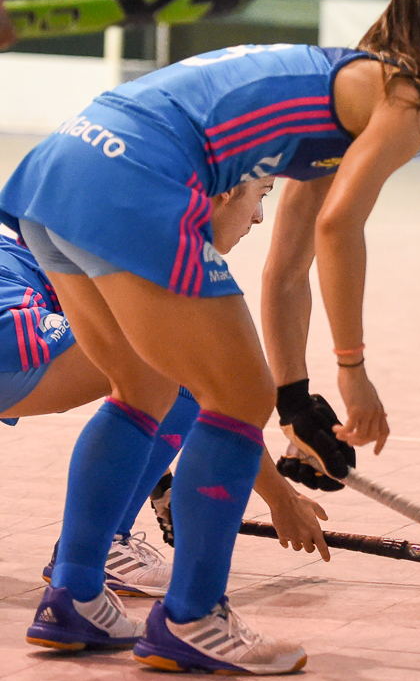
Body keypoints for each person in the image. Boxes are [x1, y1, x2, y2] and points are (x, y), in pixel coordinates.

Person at [5, 0, 420, 674]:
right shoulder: (405, 105)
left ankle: (76, 595)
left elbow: (287, 265)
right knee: (234, 397)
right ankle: (192, 617)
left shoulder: (346, 90)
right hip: (140, 176)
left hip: (64, 163)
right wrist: (354, 370)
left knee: (143, 386)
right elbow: (339, 231)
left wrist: (297, 400)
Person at [3, 185, 332, 599]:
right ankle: (103, 551)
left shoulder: (128, 211)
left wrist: (153, 473)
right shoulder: (165, 245)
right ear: (227, 191)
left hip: (21, 283)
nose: (260, 217)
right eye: (261, 194)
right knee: (180, 362)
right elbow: (210, 379)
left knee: (158, 360)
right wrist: (282, 499)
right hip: (11, 313)